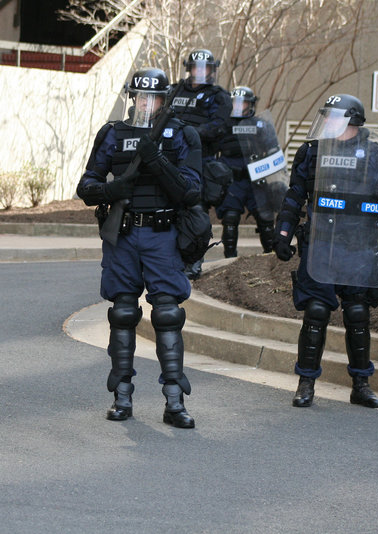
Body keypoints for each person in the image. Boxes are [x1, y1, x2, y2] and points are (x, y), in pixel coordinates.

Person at [76, 67, 202, 428]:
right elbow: (87, 185)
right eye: (141, 96)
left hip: (162, 236)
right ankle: (122, 397)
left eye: (154, 97)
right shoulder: (113, 134)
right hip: (124, 236)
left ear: (164, 99)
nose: (147, 103)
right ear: (132, 98)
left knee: (167, 314)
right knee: (124, 313)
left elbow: (192, 191)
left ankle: (174, 402)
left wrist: (157, 159)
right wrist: (111, 191)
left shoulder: (181, 134)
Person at [272, 94, 378, 409]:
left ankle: (361, 384)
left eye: (333, 117)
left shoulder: (377, 157)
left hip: (357, 248)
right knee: (315, 311)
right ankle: (306, 382)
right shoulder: (312, 153)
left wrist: (359, 209)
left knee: (357, 313)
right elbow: (294, 196)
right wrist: (283, 233)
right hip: (321, 247)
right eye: (325, 117)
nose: (326, 123)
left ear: (351, 121)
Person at [170, 49, 232, 279]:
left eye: (205, 68)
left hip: (199, 161)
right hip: (169, 159)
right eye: (197, 68)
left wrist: (188, 133)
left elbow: (219, 127)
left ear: (212, 70)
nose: (201, 72)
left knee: (195, 212)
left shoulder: (218, 96)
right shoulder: (175, 90)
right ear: (190, 69)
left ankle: (193, 262)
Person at [215, 86, 282, 257]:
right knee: (230, 219)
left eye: (243, 103)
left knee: (265, 219)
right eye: (235, 103)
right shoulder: (223, 125)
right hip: (232, 181)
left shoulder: (260, 125)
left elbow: (273, 151)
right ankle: (229, 260)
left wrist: (265, 171)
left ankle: (271, 256)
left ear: (250, 104)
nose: (239, 106)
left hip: (256, 180)